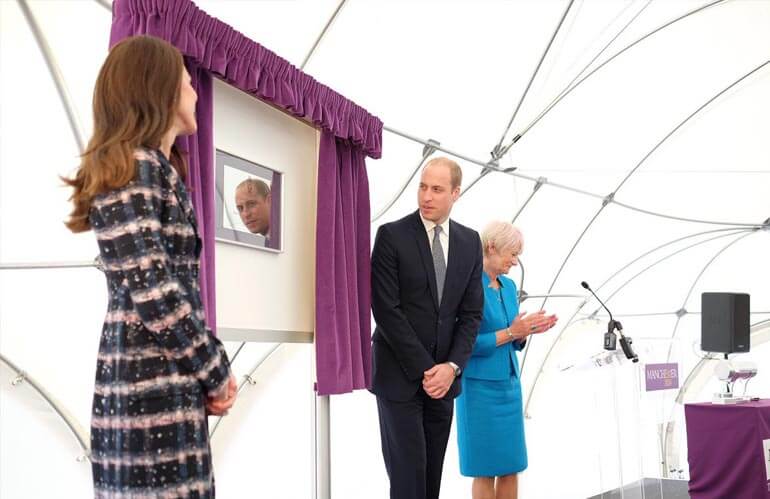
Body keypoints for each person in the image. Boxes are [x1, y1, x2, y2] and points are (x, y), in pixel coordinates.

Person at [63, 35, 237, 498]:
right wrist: (215, 369)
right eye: (186, 82)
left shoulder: (152, 168)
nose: (195, 92)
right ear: (158, 89)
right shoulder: (136, 167)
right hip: (147, 392)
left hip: (159, 385)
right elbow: (157, 293)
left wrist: (203, 373)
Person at [371, 156, 484, 499]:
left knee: (431, 479)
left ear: (455, 193)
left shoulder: (470, 241)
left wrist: (450, 368)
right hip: (399, 378)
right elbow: (386, 310)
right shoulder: (391, 235)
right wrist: (427, 369)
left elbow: (471, 313)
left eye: (437, 189)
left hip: (444, 383)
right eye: (423, 186)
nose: (426, 196)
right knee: (408, 480)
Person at [455, 221, 558, 499]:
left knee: (512, 467)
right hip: (478, 390)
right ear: (491, 247)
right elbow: (464, 344)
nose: (515, 261)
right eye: (512, 254)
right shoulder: (467, 285)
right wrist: (513, 331)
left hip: (509, 387)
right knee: (485, 469)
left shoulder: (509, 287)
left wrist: (527, 331)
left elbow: (514, 333)